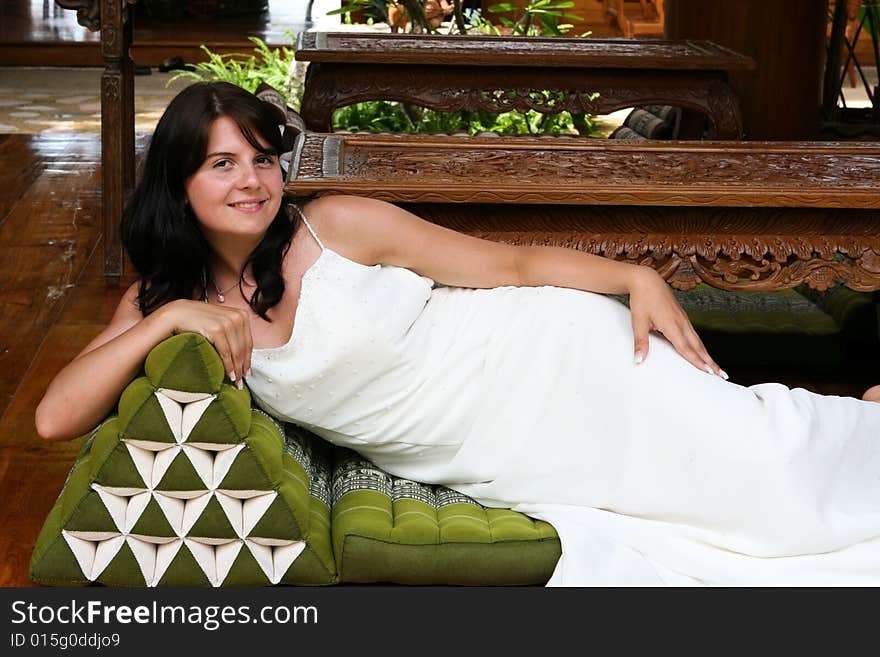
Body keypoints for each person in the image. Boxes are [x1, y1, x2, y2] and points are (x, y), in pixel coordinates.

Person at [36, 82, 880, 586]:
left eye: (262, 158)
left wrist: (632, 275)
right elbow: (53, 416)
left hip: (557, 357)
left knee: (761, 453)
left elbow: (508, 266)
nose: (254, 181)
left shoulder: (335, 225)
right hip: (496, 448)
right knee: (729, 496)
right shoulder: (165, 294)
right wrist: (176, 314)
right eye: (223, 164)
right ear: (179, 183)